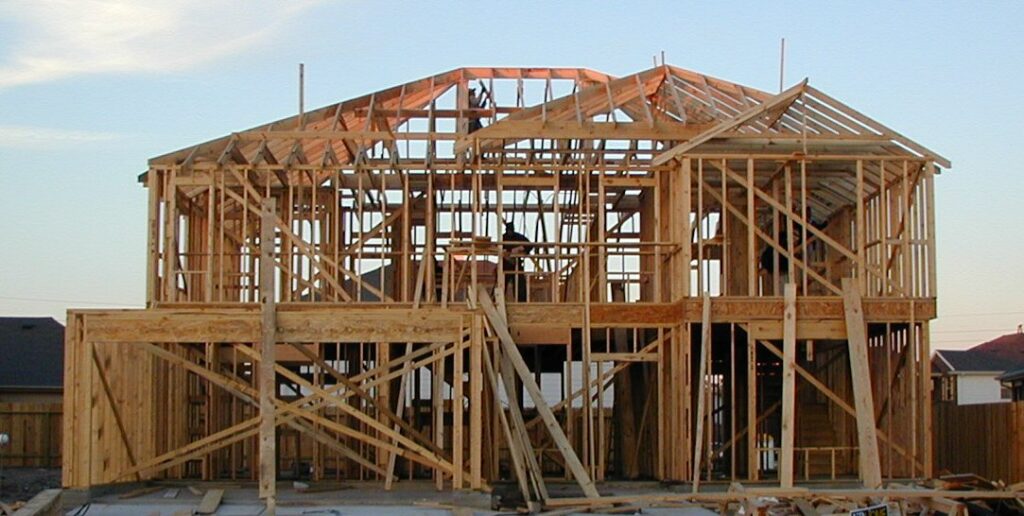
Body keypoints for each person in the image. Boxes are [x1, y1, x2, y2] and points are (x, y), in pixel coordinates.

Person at [501, 221, 533, 302]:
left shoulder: (518, 237)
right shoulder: (503, 238)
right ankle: (498, 300)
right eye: (508, 231)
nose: (509, 232)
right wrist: (507, 252)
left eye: (511, 231)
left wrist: (521, 248)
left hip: (516, 263)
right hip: (505, 264)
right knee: (501, 283)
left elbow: (529, 245)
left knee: (520, 284)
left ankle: (521, 302)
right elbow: (498, 248)